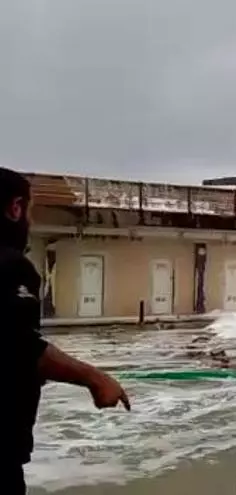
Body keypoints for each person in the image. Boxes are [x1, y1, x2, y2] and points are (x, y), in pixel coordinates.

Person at [1, 167, 131, 493]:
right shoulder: (9, 265)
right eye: (28, 211)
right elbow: (17, 346)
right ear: (14, 207)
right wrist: (95, 378)